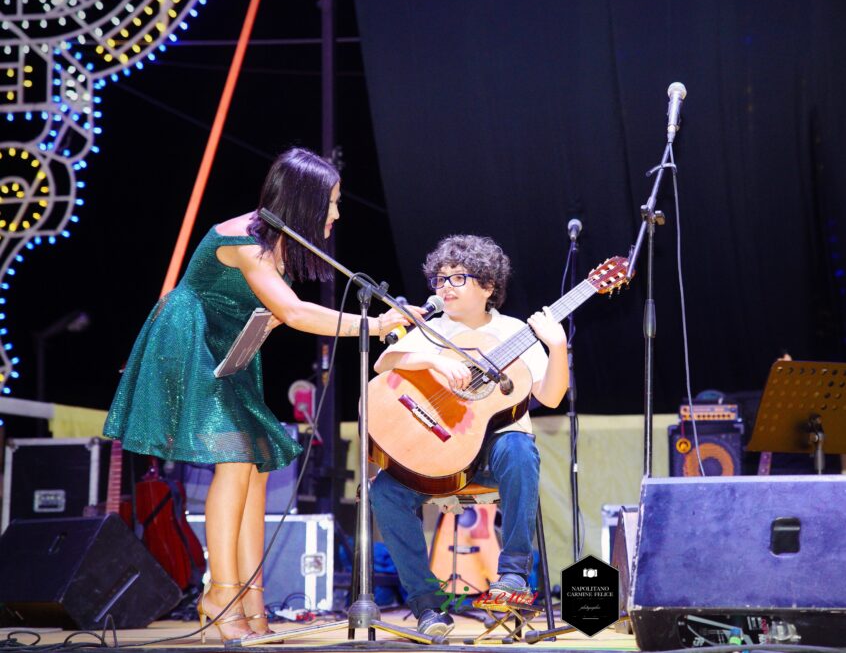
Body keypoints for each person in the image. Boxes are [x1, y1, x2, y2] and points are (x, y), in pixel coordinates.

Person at [103, 148, 418, 644]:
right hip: (190, 342)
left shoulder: (276, 245)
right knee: (234, 463)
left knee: (249, 464)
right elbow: (293, 312)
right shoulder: (246, 241)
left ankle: (250, 599)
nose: (336, 213)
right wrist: (375, 323)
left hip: (230, 349)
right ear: (305, 200)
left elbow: (274, 312)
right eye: (332, 202)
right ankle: (219, 595)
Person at [369, 234, 569, 637]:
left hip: (492, 457)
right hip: (436, 456)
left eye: (457, 278)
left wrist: (559, 346)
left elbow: (549, 396)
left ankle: (512, 576)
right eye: (439, 279)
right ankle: (428, 606)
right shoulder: (432, 328)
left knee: (518, 446)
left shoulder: (516, 332)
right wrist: (432, 358)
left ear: (488, 286)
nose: (444, 287)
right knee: (383, 490)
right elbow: (382, 362)